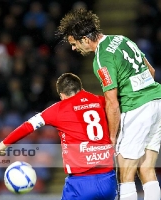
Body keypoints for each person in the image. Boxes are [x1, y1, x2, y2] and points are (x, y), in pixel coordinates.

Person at [56, 8, 161, 200]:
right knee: (147, 169)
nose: (73, 48)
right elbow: (151, 71)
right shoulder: (122, 39)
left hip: (137, 108)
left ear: (85, 39)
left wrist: (112, 137)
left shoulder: (101, 58)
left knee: (124, 174)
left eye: (73, 43)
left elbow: (112, 103)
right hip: (157, 101)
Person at [0, 73, 117, 200]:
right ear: (80, 88)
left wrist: (1, 146)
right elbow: (117, 110)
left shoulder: (58, 109)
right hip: (108, 180)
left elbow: (28, 126)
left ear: (61, 95)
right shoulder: (101, 101)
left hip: (81, 183)